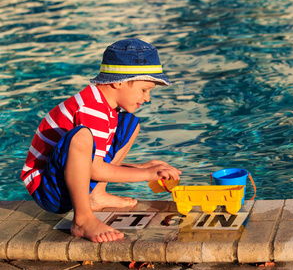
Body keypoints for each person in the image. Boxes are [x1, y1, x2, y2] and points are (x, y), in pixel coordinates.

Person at [21, 38, 182, 243]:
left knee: (129, 124)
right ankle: (83, 219)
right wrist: (147, 174)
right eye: (144, 89)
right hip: (49, 189)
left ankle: (96, 195)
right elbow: (94, 168)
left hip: (65, 177)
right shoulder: (91, 109)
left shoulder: (106, 106)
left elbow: (90, 163)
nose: (147, 98)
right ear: (119, 82)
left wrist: (140, 166)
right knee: (81, 137)